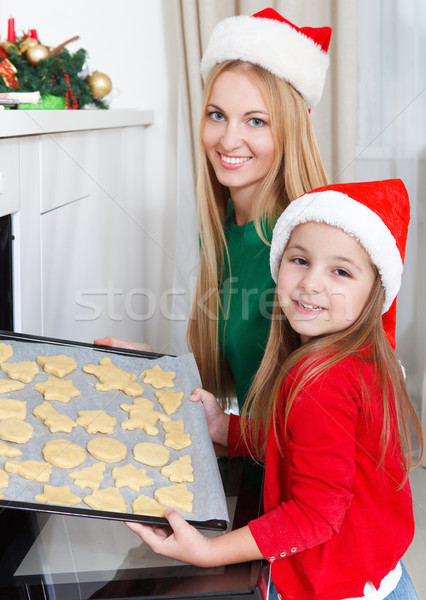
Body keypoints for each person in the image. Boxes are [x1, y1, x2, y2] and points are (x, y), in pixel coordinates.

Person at [127, 179, 424, 600]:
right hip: (375, 576)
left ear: (374, 291)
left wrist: (209, 551)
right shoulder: (354, 358)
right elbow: (309, 448)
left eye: (340, 271)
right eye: (300, 260)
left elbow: (315, 515)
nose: (310, 284)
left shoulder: (322, 380)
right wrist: (225, 430)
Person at [95, 8, 332, 412]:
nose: (228, 139)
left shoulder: (304, 245)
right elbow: (236, 385)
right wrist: (151, 369)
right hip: (250, 459)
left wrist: (227, 433)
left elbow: (316, 427)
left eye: (256, 121)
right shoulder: (222, 229)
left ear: (290, 131)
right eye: (217, 115)